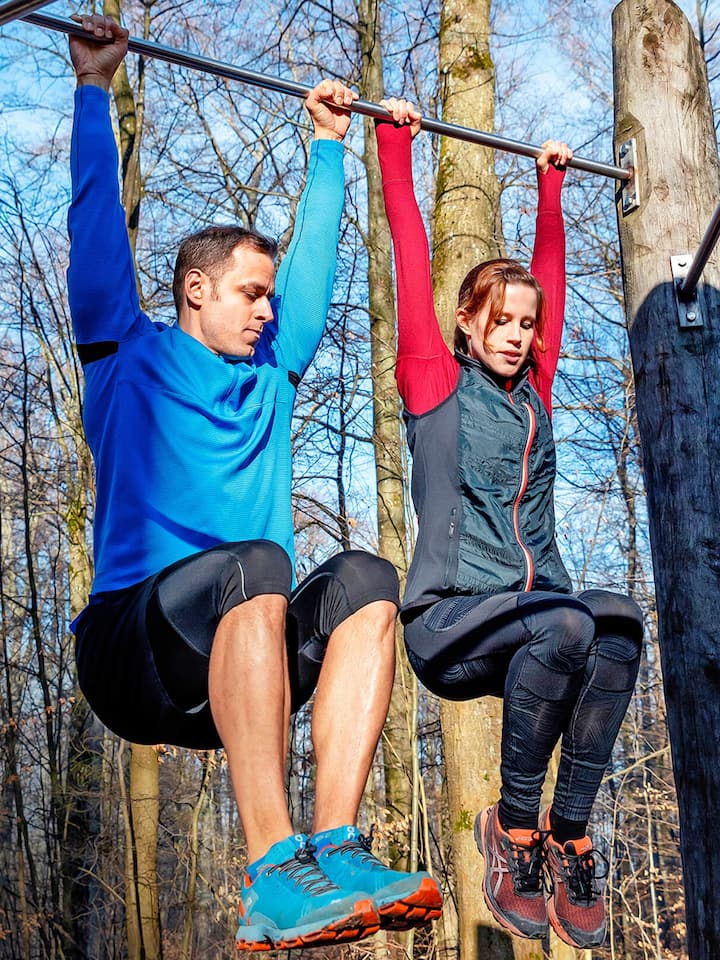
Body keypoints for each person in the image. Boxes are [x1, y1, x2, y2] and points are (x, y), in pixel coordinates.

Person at [65, 16, 442, 951]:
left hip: (243, 670)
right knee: (259, 562)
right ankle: (273, 871)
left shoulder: (272, 373)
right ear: (195, 290)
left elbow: (314, 263)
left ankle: (335, 847)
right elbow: (94, 224)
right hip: (133, 653)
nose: (269, 310)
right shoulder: (126, 353)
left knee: (368, 581)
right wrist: (93, 89)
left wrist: (329, 146)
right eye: (250, 293)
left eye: (270, 296)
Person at [375, 99, 643, 950]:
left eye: (528, 325)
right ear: (466, 321)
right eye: (502, 321)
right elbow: (408, 255)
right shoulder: (434, 382)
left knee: (618, 623)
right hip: (450, 622)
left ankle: (569, 834)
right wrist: (393, 146)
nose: (520, 336)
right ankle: (513, 829)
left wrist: (549, 190)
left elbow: (549, 284)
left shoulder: (536, 396)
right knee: (568, 622)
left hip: (536, 621)